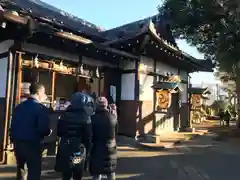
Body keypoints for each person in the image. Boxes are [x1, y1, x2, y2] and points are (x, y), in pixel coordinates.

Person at [10, 83, 52, 180]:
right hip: (33, 144)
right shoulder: (41, 109)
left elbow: (12, 125)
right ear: (38, 93)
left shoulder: (19, 107)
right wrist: (48, 131)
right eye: (44, 93)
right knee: (34, 171)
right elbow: (42, 129)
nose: (45, 96)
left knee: (21, 170)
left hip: (18, 143)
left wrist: (12, 139)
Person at [55, 92, 93, 180]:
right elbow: (88, 136)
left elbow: (59, 132)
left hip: (65, 146)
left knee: (66, 173)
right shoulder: (86, 117)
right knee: (77, 173)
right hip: (78, 148)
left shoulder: (64, 115)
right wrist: (88, 150)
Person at [89, 97, 118, 180]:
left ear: (96, 105)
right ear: (106, 105)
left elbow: (90, 135)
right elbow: (116, 132)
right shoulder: (113, 117)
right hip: (111, 148)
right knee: (111, 171)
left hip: (97, 148)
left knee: (97, 173)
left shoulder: (92, 118)